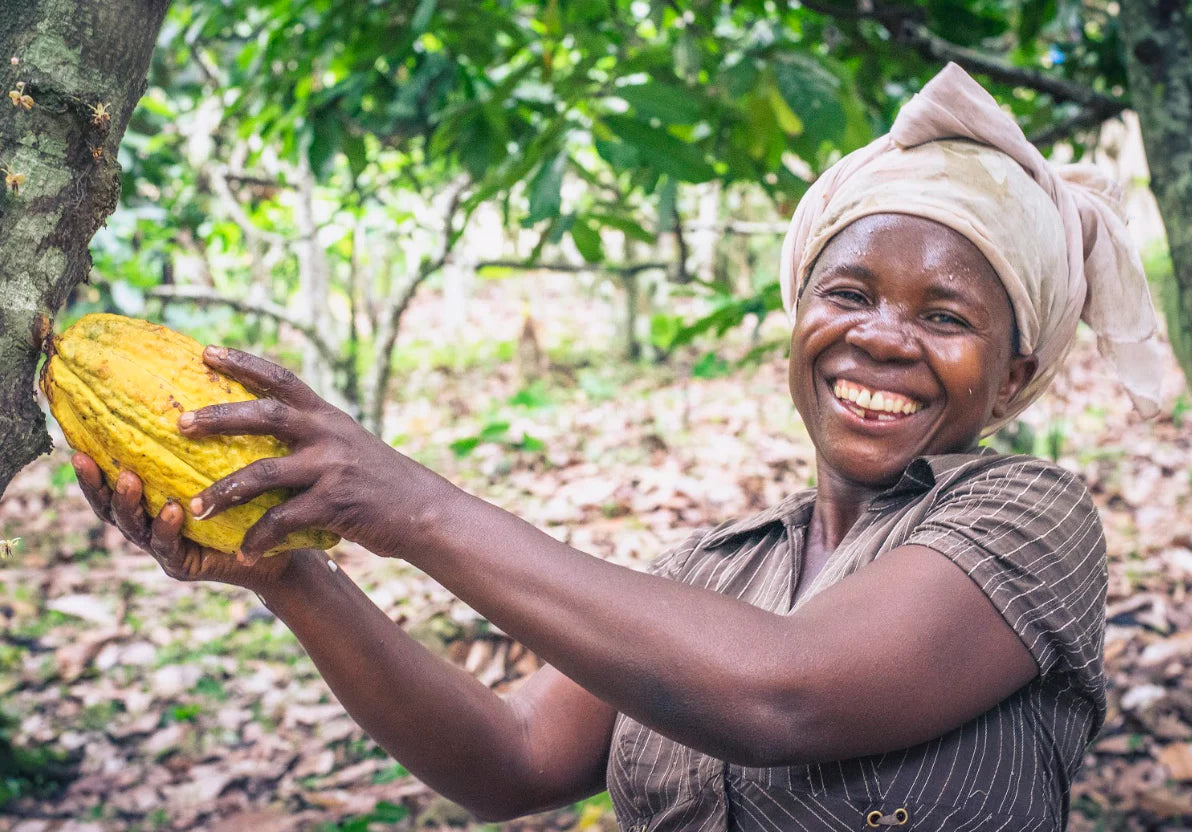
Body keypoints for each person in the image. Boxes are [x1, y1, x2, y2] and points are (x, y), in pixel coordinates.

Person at [72, 63, 1165, 831]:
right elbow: (509, 761)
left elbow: (782, 695)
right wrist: (296, 578)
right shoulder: (715, 571)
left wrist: (407, 504)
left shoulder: (1029, 519)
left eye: (945, 315)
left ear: (1016, 375)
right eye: (848, 292)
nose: (880, 335)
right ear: (800, 318)